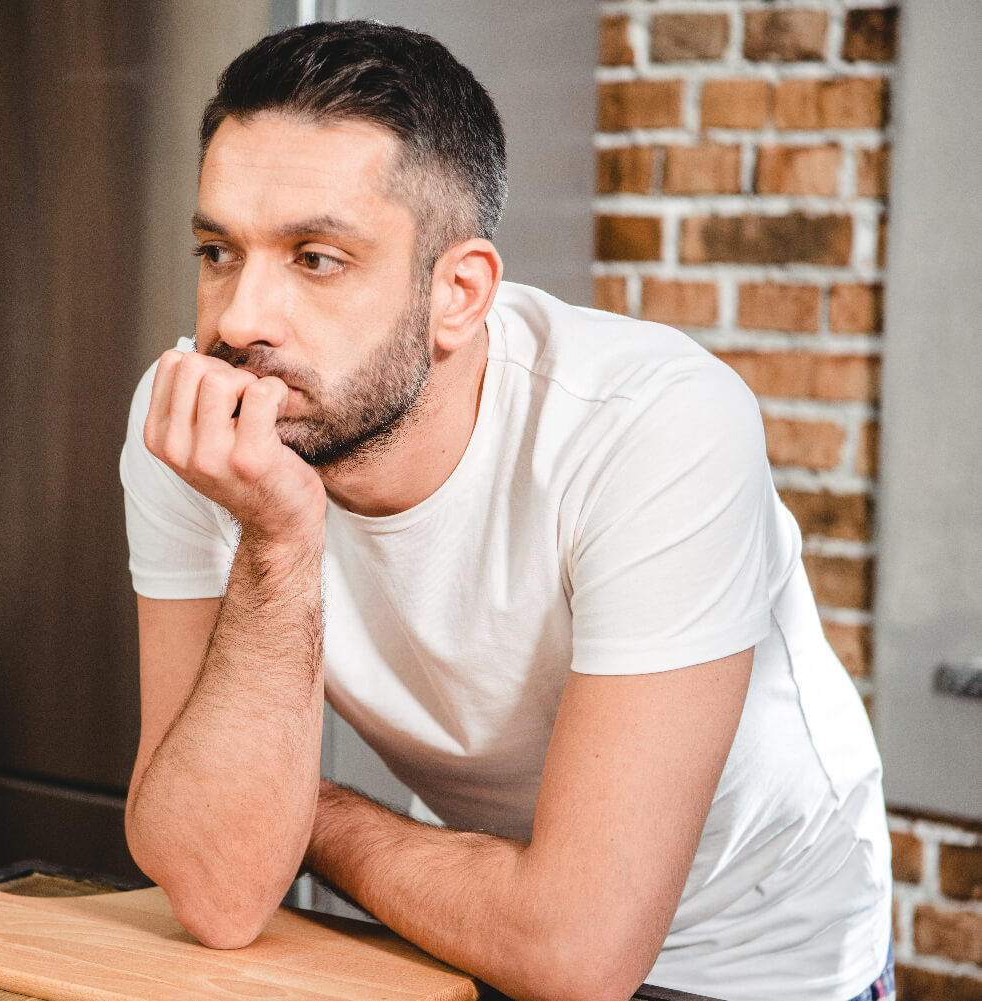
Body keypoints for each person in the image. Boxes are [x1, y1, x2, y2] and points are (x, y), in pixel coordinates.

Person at [118, 20, 891, 1001]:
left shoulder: (656, 426)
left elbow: (578, 952)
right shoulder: (195, 421)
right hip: (474, 913)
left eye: (315, 258)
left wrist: (301, 816)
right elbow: (221, 891)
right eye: (218, 249)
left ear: (460, 293)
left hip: (759, 953)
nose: (236, 321)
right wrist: (278, 538)